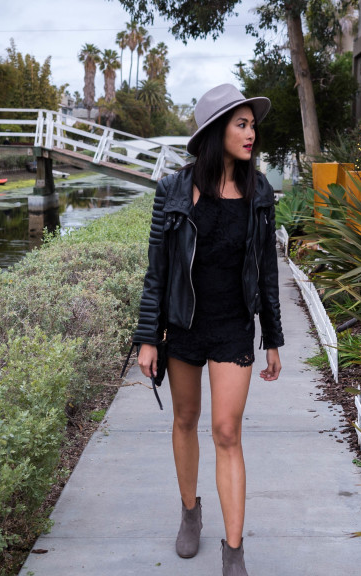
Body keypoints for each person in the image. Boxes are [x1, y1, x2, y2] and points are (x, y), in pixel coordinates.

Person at [132, 83, 284, 576]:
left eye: (252, 124)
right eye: (241, 124)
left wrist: (274, 338)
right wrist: (147, 336)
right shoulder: (174, 189)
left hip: (233, 327)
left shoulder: (258, 190)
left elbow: (266, 269)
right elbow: (157, 269)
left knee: (226, 431)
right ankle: (190, 511)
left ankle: (234, 552)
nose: (251, 133)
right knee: (184, 419)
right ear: (217, 132)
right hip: (183, 325)